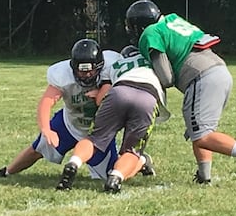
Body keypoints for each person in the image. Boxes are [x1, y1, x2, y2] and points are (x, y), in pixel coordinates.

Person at [125, 0, 236, 187]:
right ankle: (204, 176)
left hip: (201, 77)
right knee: (199, 130)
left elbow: (166, 77)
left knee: (202, 134)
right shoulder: (171, 20)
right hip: (220, 70)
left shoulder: (150, 33)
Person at [0, 39, 126, 190]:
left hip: (97, 132)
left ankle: (141, 161)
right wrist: (46, 130)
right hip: (70, 123)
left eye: (90, 71)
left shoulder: (111, 68)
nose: (87, 75)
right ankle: (7, 172)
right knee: (37, 149)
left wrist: (102, 93)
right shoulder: (63, 76)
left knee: (113, 173)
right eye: (82, 71)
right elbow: (46, 102)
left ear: (100, 67)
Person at [60, 45, 170, 193]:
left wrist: (98, 94)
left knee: (94, 139)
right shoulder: (155, 64)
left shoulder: (117, 64)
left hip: (119, 91)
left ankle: (74, 162)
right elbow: (168, 78)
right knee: (132, 151)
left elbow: (101, 97)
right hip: (147, 96)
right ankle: (115, 178)